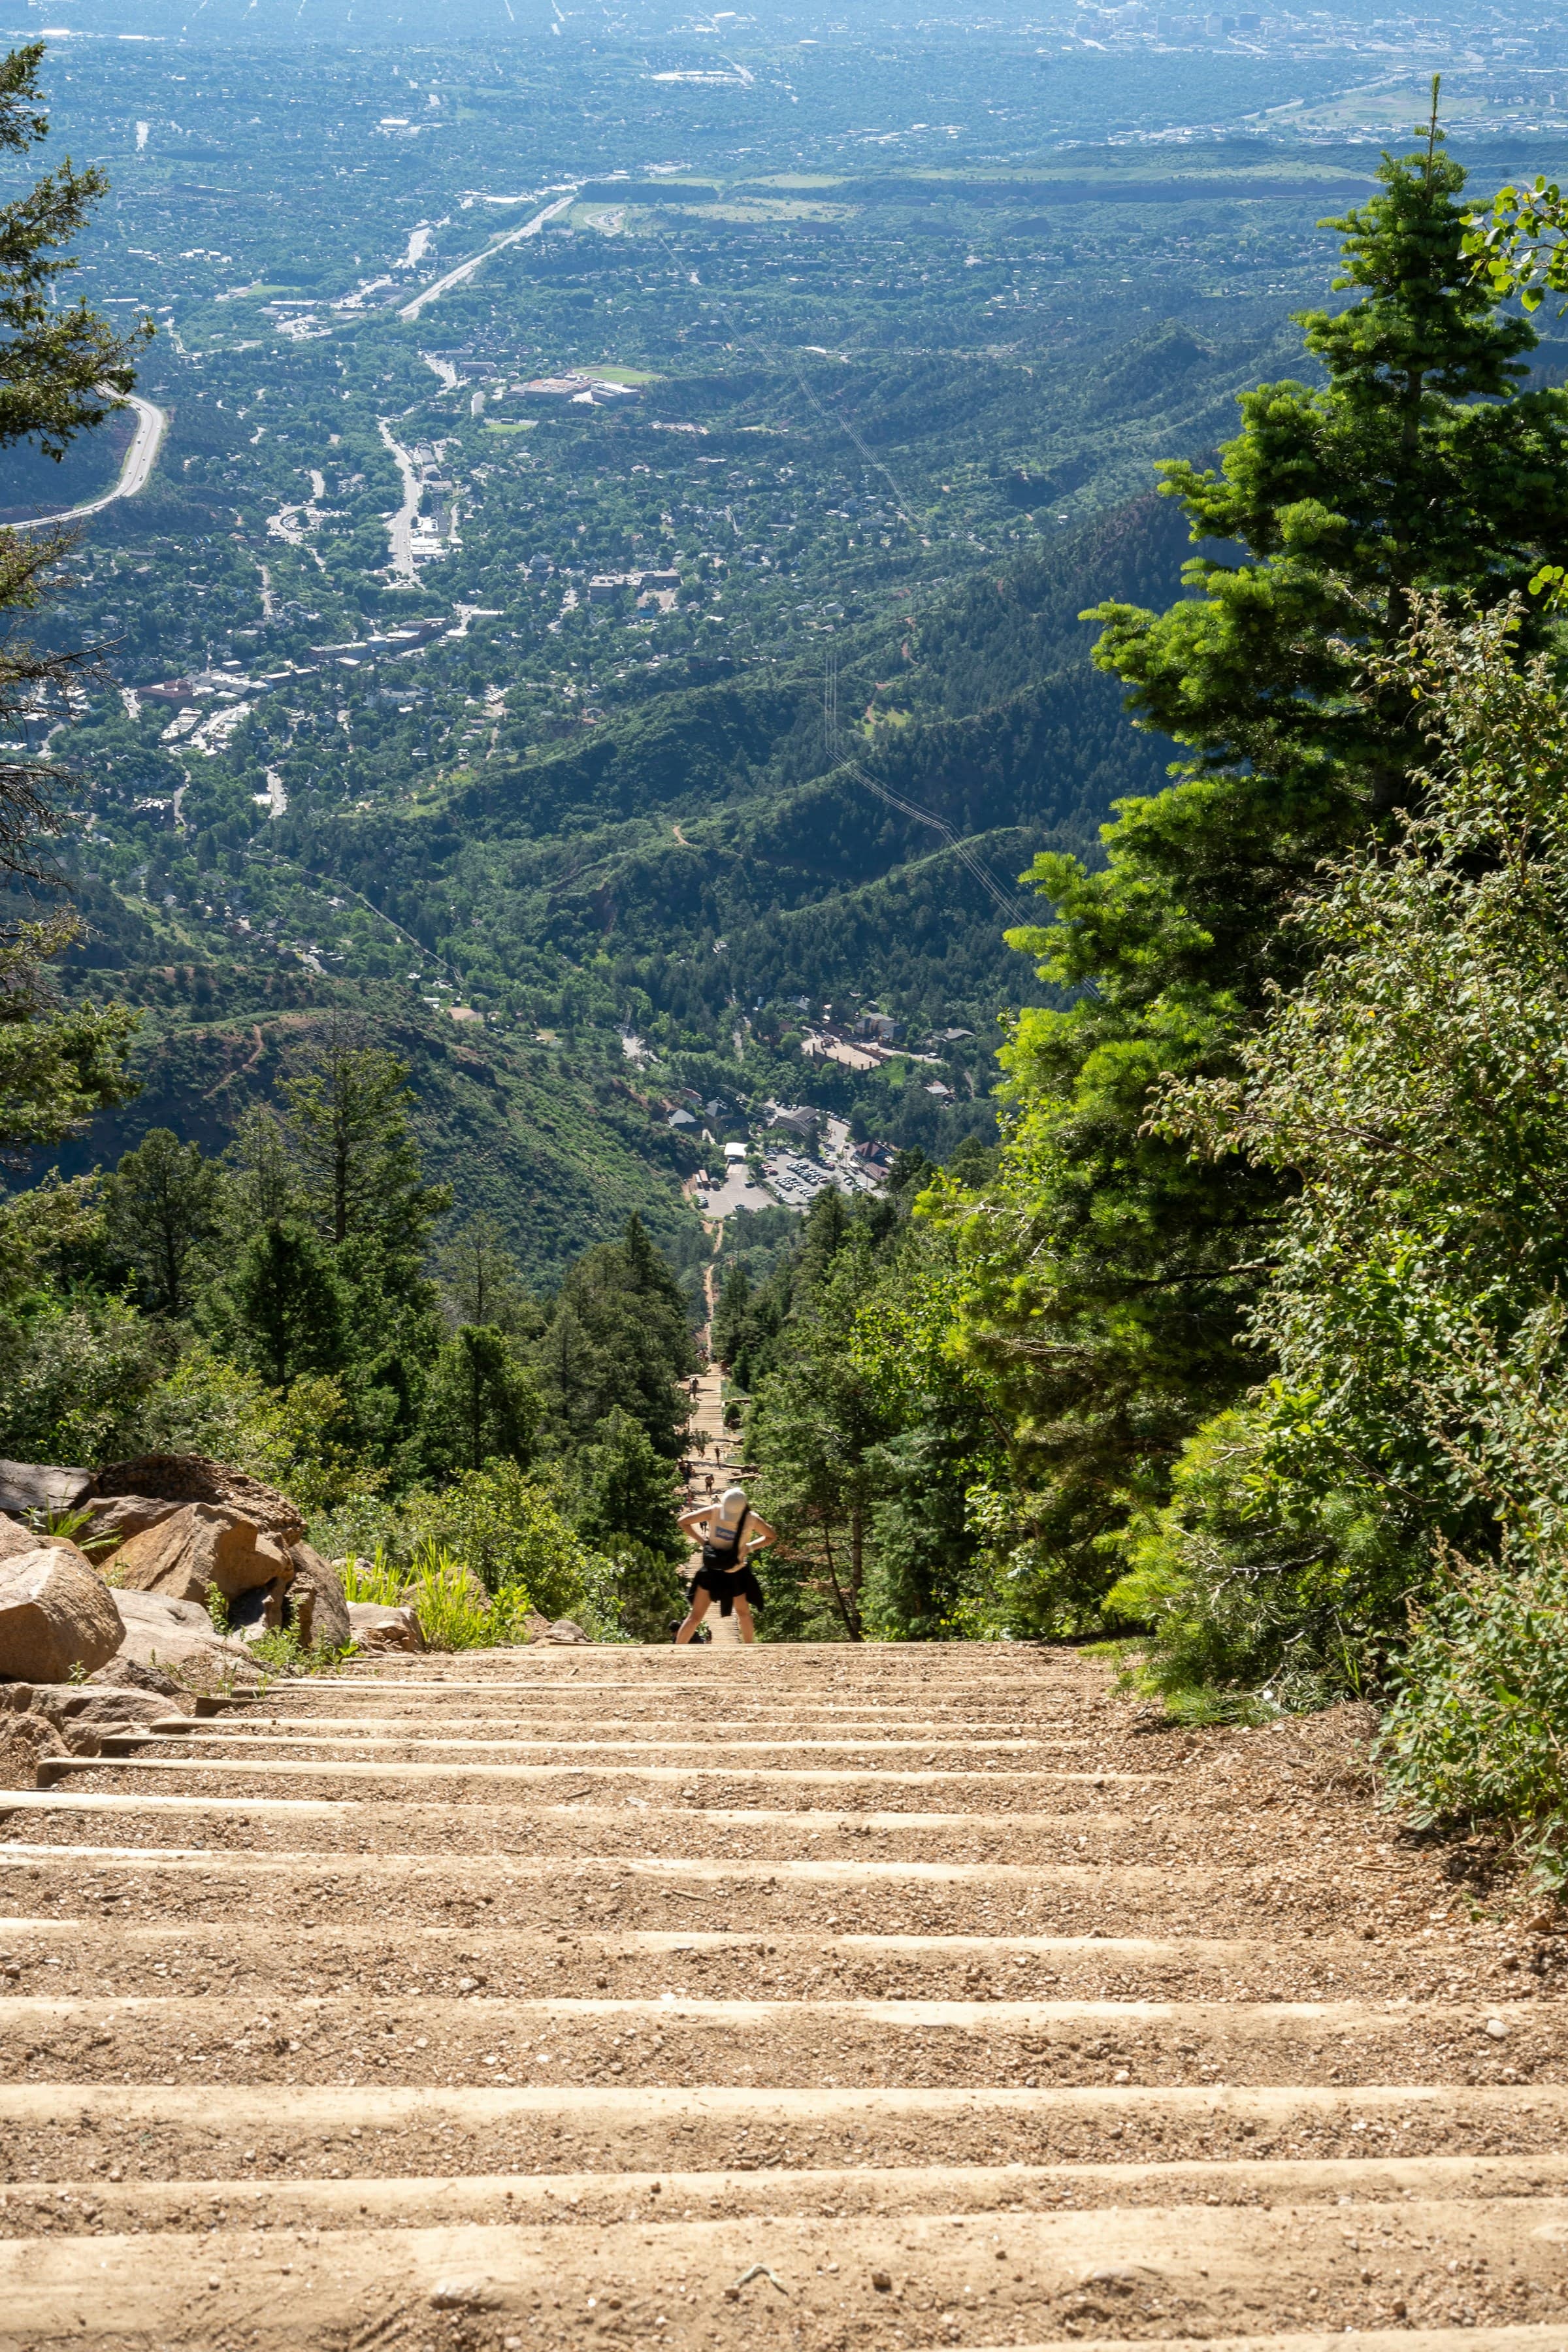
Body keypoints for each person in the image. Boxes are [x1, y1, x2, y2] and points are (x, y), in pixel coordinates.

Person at [674, 1484, 777, 1644]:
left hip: (711, 1569)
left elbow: (683, 1522)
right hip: (736, 1570)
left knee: (695, 1617)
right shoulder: (751, 1518)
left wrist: (703, 1542)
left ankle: (677, 1651)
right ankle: (749, 1651)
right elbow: (771, 1536)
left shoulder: (715, 1510)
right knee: (744, 1614)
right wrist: (749, 1548)